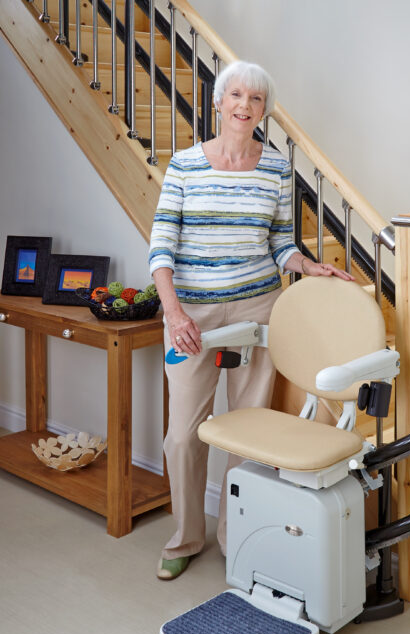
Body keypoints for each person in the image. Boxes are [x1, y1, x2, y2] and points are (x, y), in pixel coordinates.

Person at [149, 61, 352, 580]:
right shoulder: (185, 166)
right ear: (217, 103)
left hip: (258, 309)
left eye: (256, 99)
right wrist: (173, 314)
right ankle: (186, 535)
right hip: (191, 316)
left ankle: (233, 534)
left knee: (248, 427)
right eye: (235, 94)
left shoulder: (277, 169)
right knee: (183, 435)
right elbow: (161, 248)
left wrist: (307, 265)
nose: (244, 105)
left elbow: (280, 242)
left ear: (264, 111)